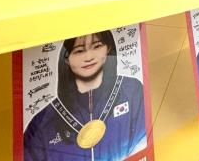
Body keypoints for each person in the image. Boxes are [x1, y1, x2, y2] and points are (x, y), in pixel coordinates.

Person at [23, 31, 148, 160]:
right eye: (79, 51)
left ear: (108, 48)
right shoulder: (44, 121)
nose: (89, 56)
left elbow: (143, 142)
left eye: (97, 46)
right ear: (67, 58)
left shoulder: (132, 91)